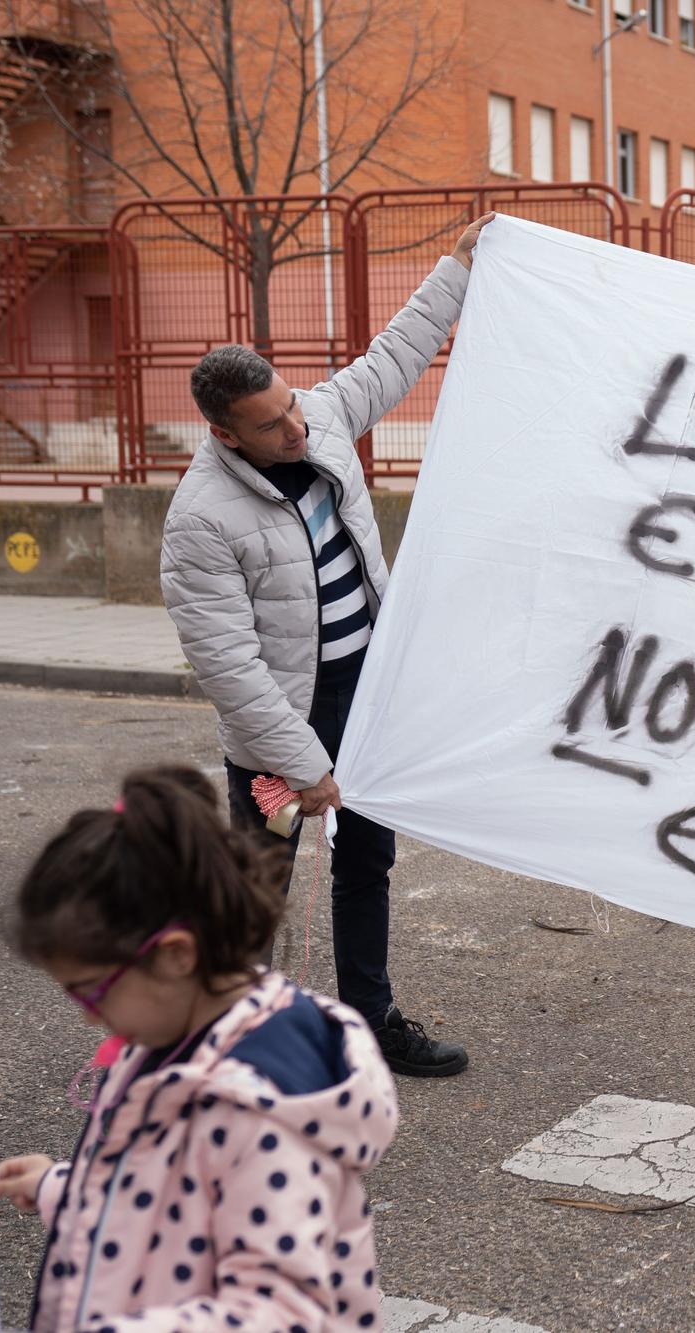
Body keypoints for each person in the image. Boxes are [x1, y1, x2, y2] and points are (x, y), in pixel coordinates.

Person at [161, 215, 493, 1077]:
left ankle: (372, 1020)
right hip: (281, 729)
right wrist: (305, 766)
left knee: (368, 862)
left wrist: (455, 267)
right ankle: (235, 1046)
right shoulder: (199, 519)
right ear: (226, 434)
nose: (297, 430)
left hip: (366, 694)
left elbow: (394, 354)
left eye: (291, 407)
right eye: (271, 426)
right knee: (258, 890)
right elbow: (230, 668)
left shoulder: (323, 412)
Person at [0, 767, 399, 1331]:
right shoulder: (175, 1026)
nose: (86, 1014)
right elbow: (165, 1186)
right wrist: (62, 1187)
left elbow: (283, 1312)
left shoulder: (255, 1110)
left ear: (176, 955)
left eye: (91, 990)